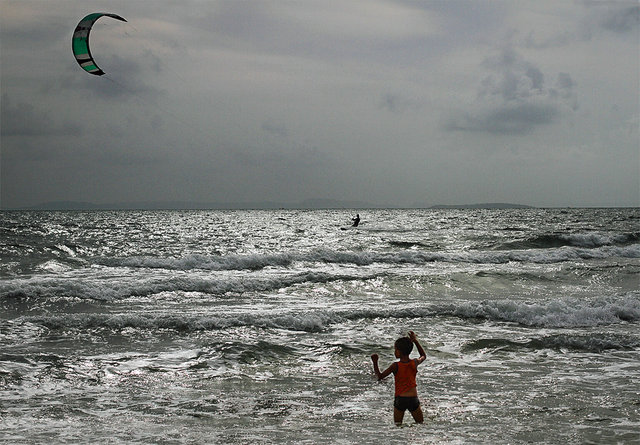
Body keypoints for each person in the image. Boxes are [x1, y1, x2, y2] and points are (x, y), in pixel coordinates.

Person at [371, 331, 427, 425]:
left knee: (398, 426)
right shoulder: (414, 362)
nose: (394, 352)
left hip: (400, 399)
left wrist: (375, 362)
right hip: (413, 398)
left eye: (396, 349)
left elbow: (380, 377)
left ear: (400, 352)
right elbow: (423, 356)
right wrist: (415, 341)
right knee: (420, 424)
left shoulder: (395, 366)